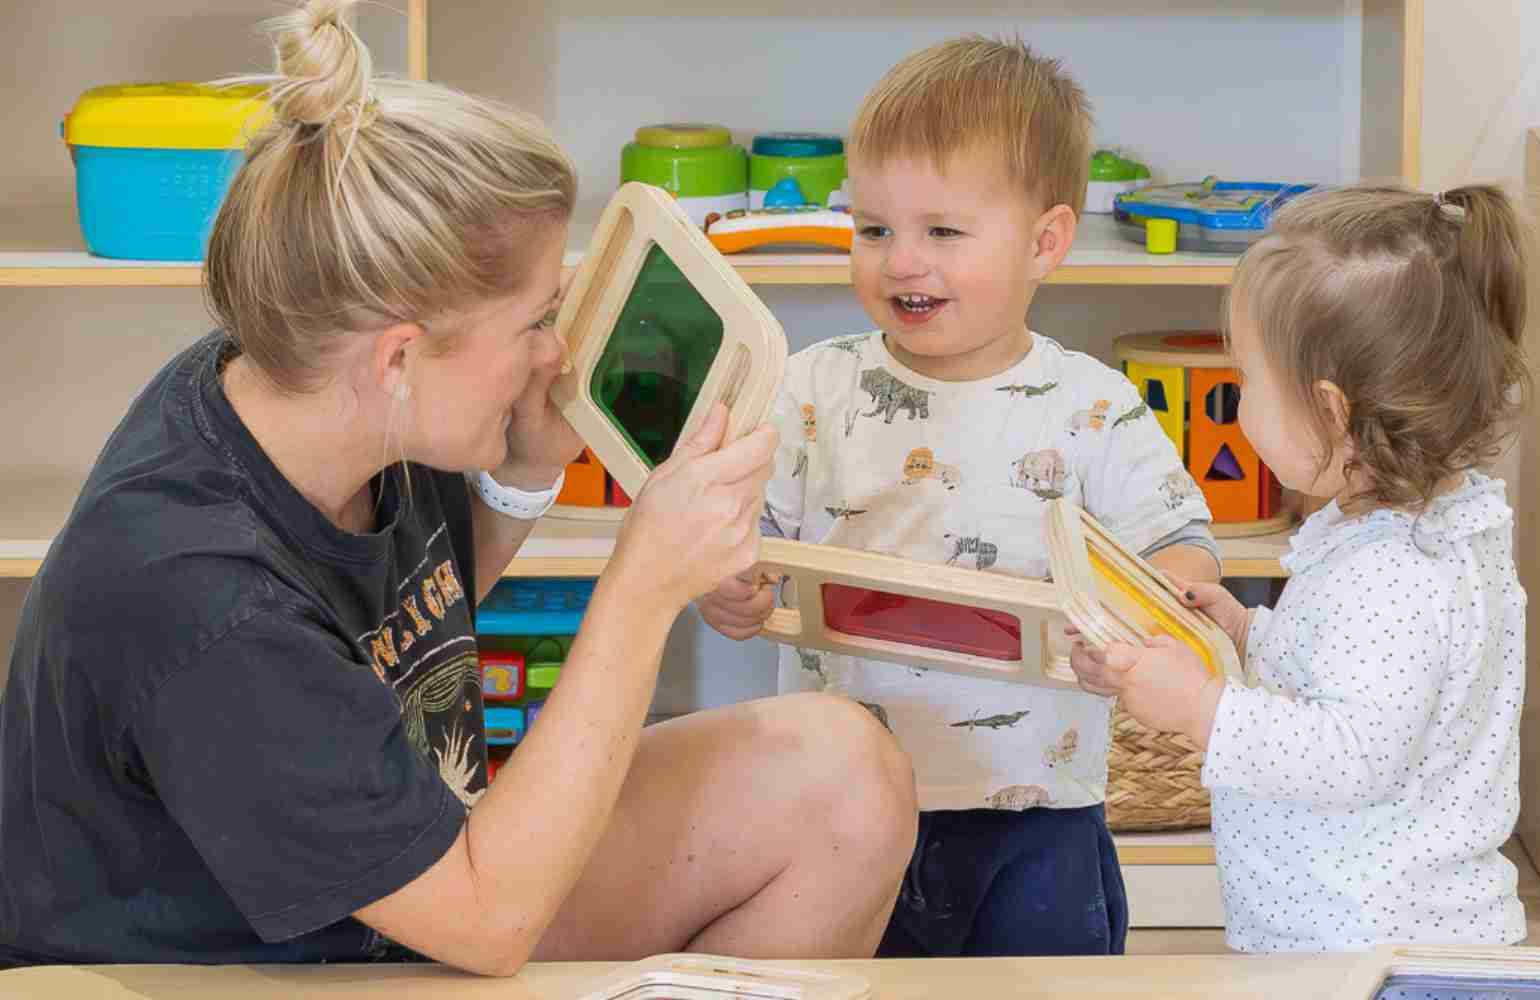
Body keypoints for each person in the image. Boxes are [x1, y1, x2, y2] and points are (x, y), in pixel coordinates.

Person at [0, 0, 916, 975]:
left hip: (394, 880)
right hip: (233, 967)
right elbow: (487, 925)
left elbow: (398, 616)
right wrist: (644, 588)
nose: (553, 350)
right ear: (399, 356)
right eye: (531, 320)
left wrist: (522, 474)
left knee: (841, 774)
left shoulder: (311, 385)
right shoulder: (207, 605)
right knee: (827, 787)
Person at [697, 36, 1219, 958]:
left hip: (1040, 812)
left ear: (1045, 241)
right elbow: (744, 544)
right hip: (841, 815)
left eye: (942, 232)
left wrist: (1156, 606)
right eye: (873, 230)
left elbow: (1179, 542)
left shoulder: (1091, 404)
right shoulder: (812, 388)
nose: (902, 262)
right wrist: (729, 589)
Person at [1073, 184, 1531, 952]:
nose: (1240, 403)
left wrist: (1202, 708)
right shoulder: (1423, 531)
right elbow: (1358, 675)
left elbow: (1350, 755)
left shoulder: (1392, 575)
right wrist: (1247, 632)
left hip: (1366, 947)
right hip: (1382, 928)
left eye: (1247, 380)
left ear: (1329, 411)